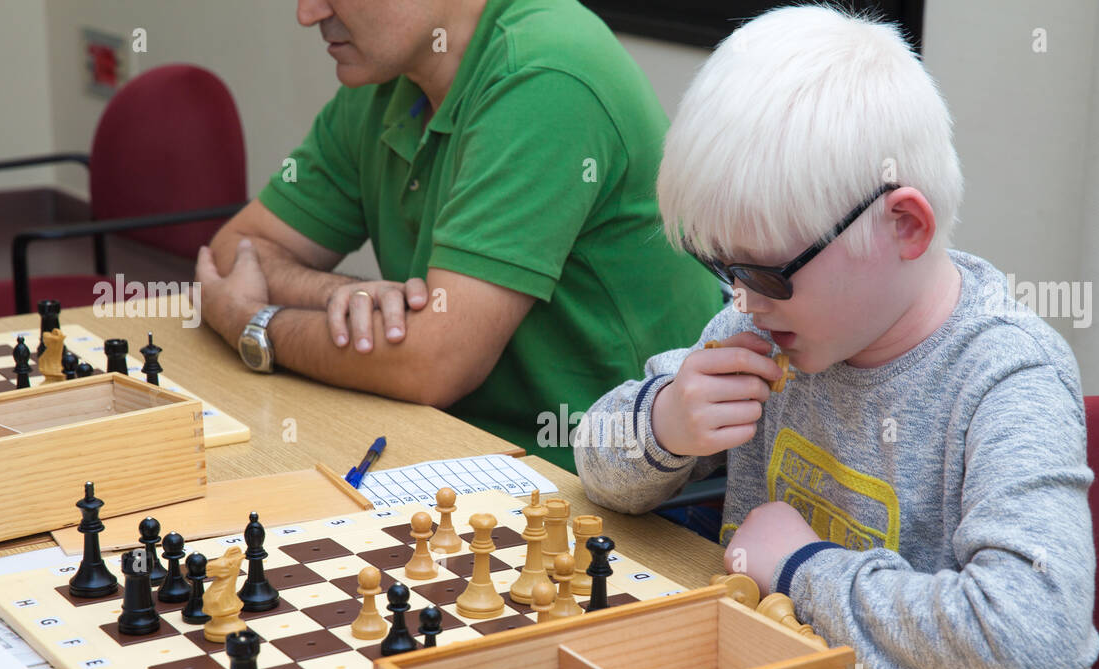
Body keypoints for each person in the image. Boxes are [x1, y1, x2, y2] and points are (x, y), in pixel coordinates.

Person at [574, 4, 1099, 669]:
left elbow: (1031, 641)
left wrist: (803, 571)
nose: (739, 301)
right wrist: (664, 425)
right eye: (722, 269)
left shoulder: (1008, 375)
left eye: (765, 272)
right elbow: (597, 464)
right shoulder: (765, 321)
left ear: (904, 226)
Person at [195, 0, 720, 471]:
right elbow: (234, 253)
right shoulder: (392, 75)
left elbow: (433, 364)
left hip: (617, 493)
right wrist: (336, 295)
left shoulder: (545, 74)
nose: (306, 13)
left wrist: (253, 323)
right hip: (455, 447)